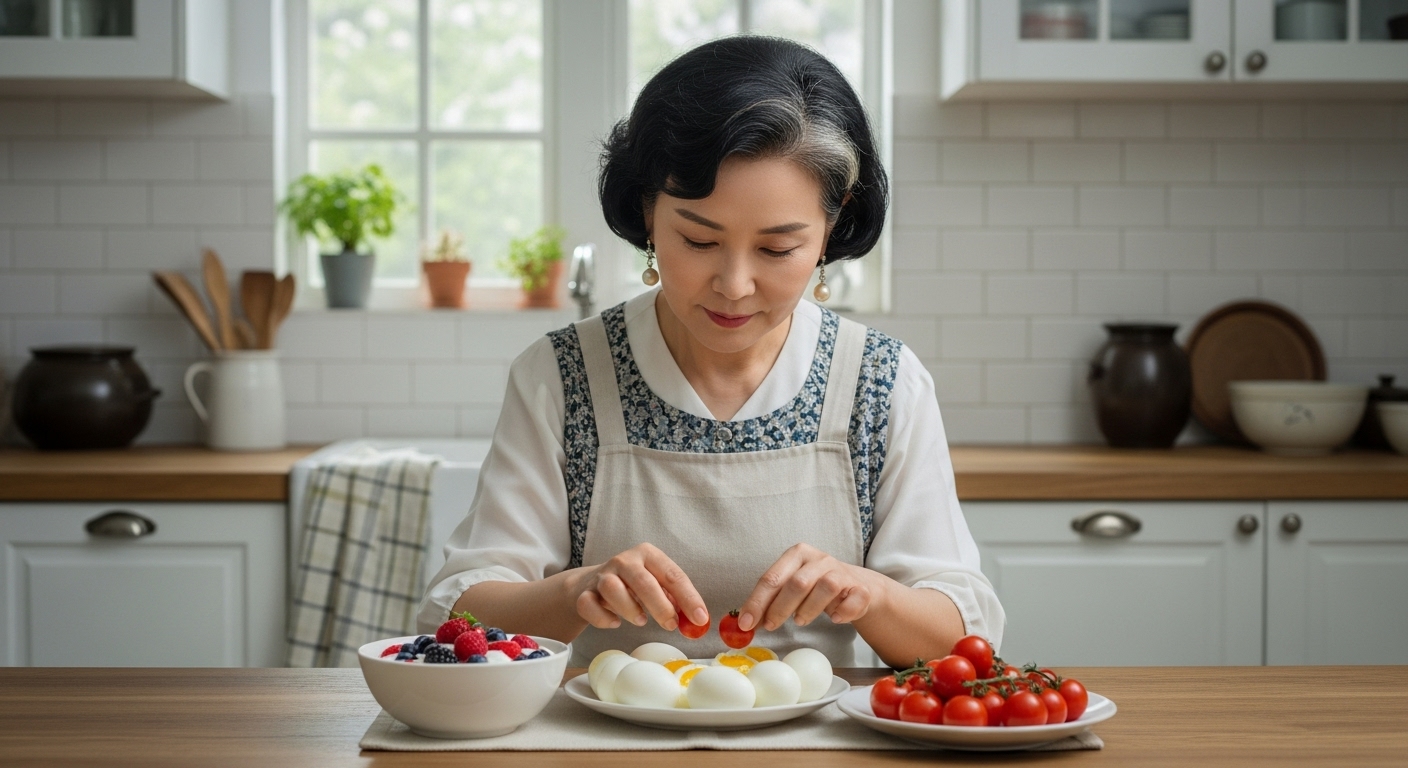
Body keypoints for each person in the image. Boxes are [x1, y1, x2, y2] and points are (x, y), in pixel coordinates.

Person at [418, 35, 1003, 667]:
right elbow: (459, 614)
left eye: (778, 249)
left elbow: (961, 638)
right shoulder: (561, 376)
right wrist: (573, 591)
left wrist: (871, 595)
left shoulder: (881, 382)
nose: (735, 285)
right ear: (648, 211)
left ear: (832, 227)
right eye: (699, 241)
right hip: (597, 727)